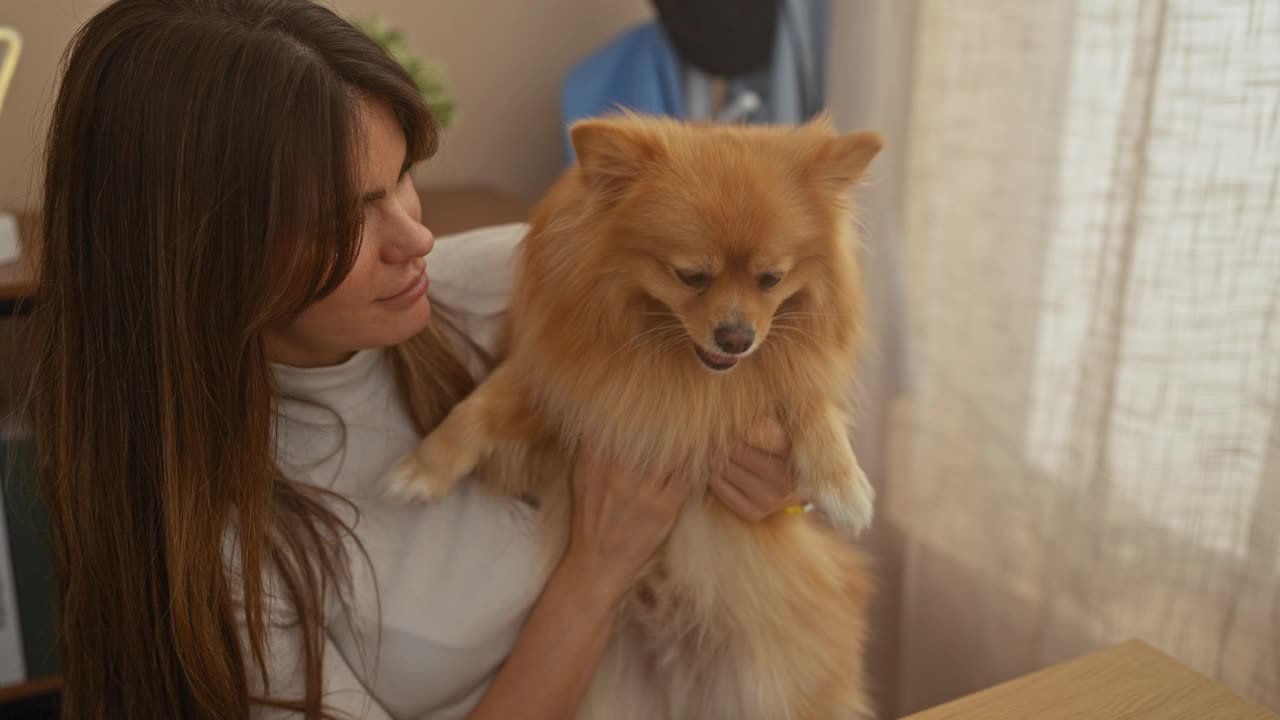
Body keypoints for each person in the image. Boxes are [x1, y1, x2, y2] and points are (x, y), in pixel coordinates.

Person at [27, 0, 803, 717]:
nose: (415, 239)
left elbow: (778, 353)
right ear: (199, 260)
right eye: (345, 220)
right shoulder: (221, 554)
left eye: (404, 178)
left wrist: (774, 480)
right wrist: (597, 573)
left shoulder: (514, 289)